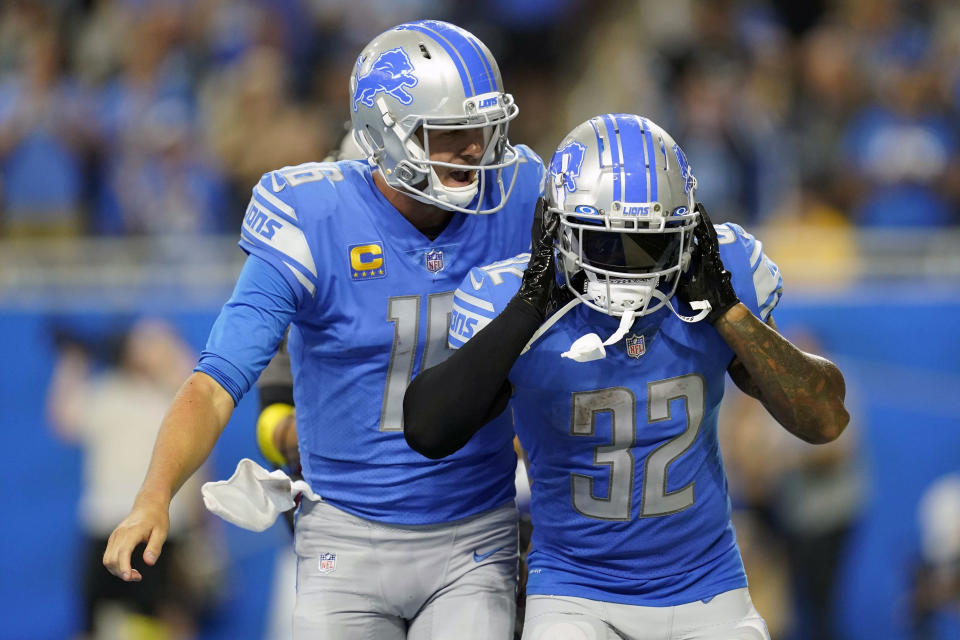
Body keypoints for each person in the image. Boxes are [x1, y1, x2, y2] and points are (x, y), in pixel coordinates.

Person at [103, 20, 545, 639]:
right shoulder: (314, 217)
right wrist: (155, 495)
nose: (476, 148)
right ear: (385, 134)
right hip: (346, 540)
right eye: (451, 132)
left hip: (474, 534)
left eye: (483, 126)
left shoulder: (522, 192)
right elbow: (214, 382)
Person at [404, 113, 850, 640]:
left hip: (707, 587)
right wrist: (529, 306)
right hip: (574, 590)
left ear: (688, 232)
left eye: (652, 245)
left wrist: (729, 311)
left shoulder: (720, 276)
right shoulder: (510, 297)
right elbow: (429, 429)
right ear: (557, 229)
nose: (630, 269)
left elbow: (824, 420)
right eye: (606, 244)